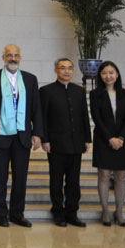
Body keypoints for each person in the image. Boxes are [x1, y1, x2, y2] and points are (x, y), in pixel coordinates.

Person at [0, 44, 43, 227]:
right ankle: (0, 214)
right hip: (0, 135)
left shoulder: (30, 79)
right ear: (3, 58)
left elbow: (36, 109)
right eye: (9, 55)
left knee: (20, 177)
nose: (13, 58)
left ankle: (17, 213)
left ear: (20, 58)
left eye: (16, 55)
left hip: (22, 136)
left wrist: (37, 133)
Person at [40, 57, 91, 227]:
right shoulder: (46, 91)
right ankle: (57, 211)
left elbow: (85, 116)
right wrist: (44, 140)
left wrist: (87, 139)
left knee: (73, 181)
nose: (67, 71)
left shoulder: (79, 91)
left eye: (70, 68)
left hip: (76, 143)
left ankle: (72, 212)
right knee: (56, 180)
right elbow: (43, 118)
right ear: (56, 70)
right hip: (55, 144)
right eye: (63, 68)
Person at [89, 61, 125, 227]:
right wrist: (110, 138)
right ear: (100, 76)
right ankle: (105, 210)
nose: (108, 76)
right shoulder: (95, 94)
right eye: (104, 73)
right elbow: (97, 118)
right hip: (103, 139)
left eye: (111, 72)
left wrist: (120, 137)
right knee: (104, 175)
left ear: (117, 74)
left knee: (121, 176)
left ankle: (119, 211)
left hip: (123, 141)